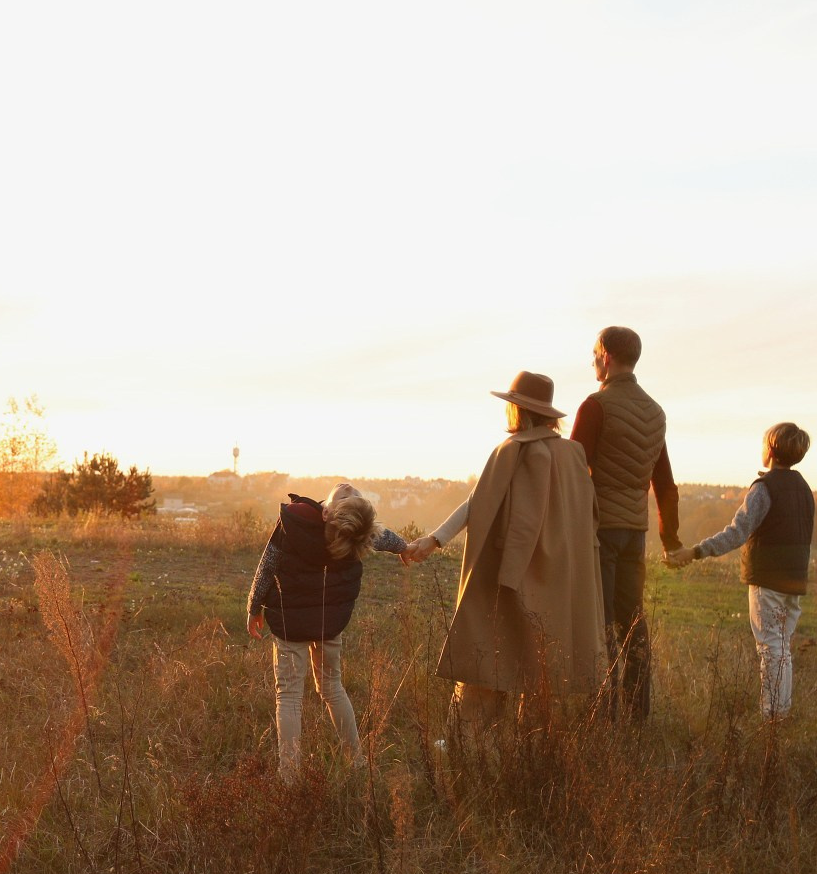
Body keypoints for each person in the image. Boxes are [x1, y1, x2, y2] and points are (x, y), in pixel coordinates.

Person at [403, 373, 604, 741]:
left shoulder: (515, 449)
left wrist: (436, 540)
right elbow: (586, 520)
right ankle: (530, 752)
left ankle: (465, 746)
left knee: (487, 661)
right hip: (559, 581)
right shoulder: (573, 454)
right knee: (540, 673)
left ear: (518, 409)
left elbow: (479, 505)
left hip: (508, 576)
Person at [246, 484, 407, 783]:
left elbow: (266, 567)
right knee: (332, 688)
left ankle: (290, 777)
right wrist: (407, 547)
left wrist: (253, 607)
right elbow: (386, 538)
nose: (349, 488)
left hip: (290, 623)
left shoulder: (295, 523)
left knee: (290, 696)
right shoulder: (356, 532)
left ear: (325, 511)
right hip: (328, 622)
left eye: (350, 497)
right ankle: (355, 761)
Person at [666, 422, 814, 720]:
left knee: (771, 649)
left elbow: (737, 532)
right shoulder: (804, 489)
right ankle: (780, 714)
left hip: (767, 580)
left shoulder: (764, 488)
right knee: (782, 647)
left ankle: (772, 717)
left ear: (770, 449)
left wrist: (695, 552)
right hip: (794, 580)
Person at [570, 325, 680, 722]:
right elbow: (665, 485)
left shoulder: (595, 406)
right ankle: (637, 714)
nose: (592, 361)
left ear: (607, 356)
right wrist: (671, 538)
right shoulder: (655, 412)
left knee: (599, 624)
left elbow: (571, 470)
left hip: (600, 531)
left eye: (594, 353)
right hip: (636, 533)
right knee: (633, 623)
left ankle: (603, 712)